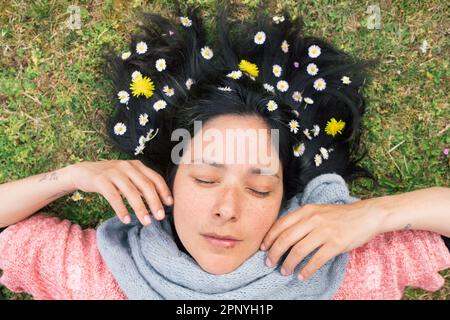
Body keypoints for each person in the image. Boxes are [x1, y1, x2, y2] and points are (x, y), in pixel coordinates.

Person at [0, 3, 449, 300]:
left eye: (258, 189)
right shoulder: (97, 277)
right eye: (205, 179)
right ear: (166, 180)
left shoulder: (346, 275)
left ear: (285, 202)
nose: (226, 210)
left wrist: (375, 215)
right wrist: (75, 176)